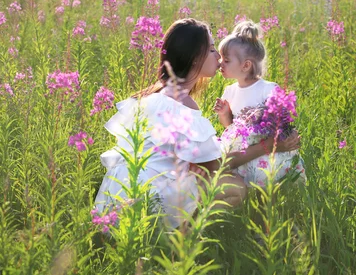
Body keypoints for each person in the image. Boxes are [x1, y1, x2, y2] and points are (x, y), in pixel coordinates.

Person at [94, 18, 300, 228]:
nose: (219, 57)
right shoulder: (183, 103)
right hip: (151, 200)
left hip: (120, 194)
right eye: (211, 50)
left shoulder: (159, 94)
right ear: (194, 58)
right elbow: (217, 166)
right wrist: (269, 146)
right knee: (235, 187)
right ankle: (182, 240)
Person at [213, 20, 305, 187]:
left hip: (266, 150)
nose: (220, 64)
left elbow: (281, 121)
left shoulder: (267, 89)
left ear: (246, 65)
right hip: (243, 152)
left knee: (266, 183)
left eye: (226, 60)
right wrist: (225, 114)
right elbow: (231, 127)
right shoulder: (230, 91)